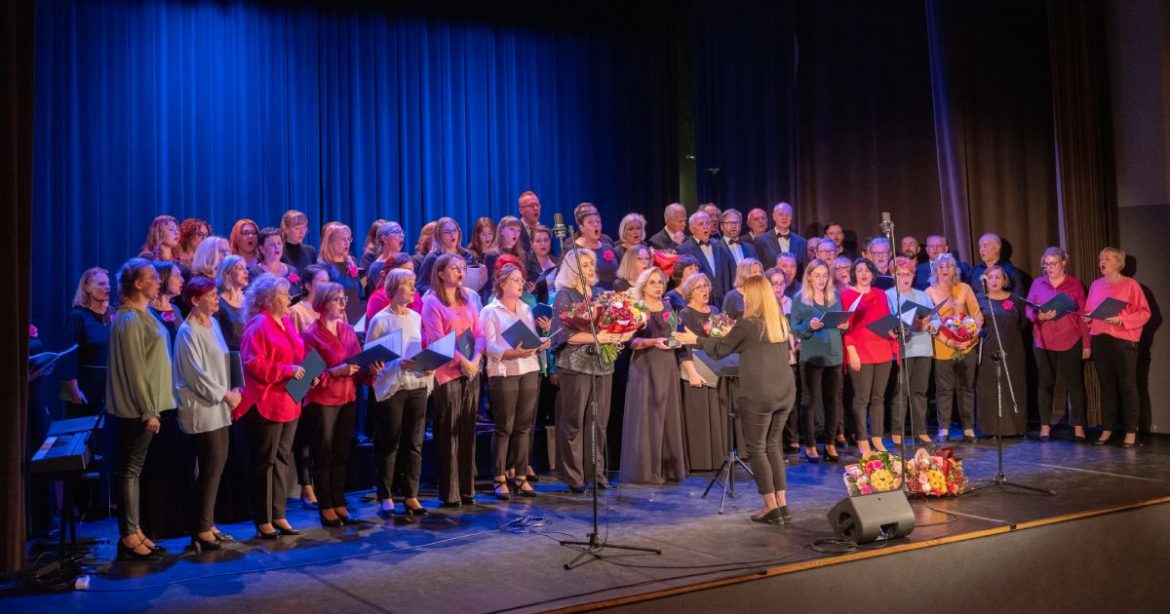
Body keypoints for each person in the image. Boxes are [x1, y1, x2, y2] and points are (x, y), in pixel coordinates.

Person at [674, 275, 796, 524]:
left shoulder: (748, 324)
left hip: (760, 393)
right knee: (774, 445)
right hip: (785, 391)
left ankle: (770, 507)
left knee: (757, 449)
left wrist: (692, 339)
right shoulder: (779, 321)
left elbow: (720, 350)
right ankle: (783, 505)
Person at [106, 258, 175, 560]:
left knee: (136, 471)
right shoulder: (129, 318)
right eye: (151, 277)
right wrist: (149, 410)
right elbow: (135, 369)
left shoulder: (145, 314)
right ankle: (129, 535)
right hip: (137, 410)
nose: (157, 281)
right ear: (137, 283)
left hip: (151, 407)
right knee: (130, 472)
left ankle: (136, 531)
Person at [548, 248, 629, 492]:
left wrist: (620, 331)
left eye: (592, 264)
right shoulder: (565, 295)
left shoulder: (601, 294)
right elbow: (564, 334)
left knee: (599, 422)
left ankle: (597, 474)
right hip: (575, 363)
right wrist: (600, 338)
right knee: (573, 422)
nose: (591, 269)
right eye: (585, 265)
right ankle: (574, 477)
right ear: (572, 269)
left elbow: (615, 324)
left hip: (602, 364)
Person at [236, 273, 310, 538]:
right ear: (268, 299)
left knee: (281, 458)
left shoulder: (287, 322)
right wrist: (287, 370)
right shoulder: (258, 324)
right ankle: (263, 518)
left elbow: (298, 356)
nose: (288, 298)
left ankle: (279, 514)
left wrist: (305, 375)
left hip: (288, 400)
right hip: (266, 401)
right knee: (264, 461)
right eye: (283, 294)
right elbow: (252, 363)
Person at [302, 282, 382, 526]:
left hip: (347, 398)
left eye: (342, 300)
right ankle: (325, 504)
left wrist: (372, 370)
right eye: (336, 300)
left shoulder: (347, 331)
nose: (341, 305)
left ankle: (339, 502)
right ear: (324, 303)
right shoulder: (310, 334)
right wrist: (336, 372)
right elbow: (308, 378)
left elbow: (358, 366)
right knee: (323, 454)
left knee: (340, 453)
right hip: (323, 401)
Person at [173, 276, 241, 552]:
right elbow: (196, 377)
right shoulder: (187, 332)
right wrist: (225, 394)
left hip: (221, 407)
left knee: (218, 467)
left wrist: (234, 386)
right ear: (194, 301)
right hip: (202, 409)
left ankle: (208, 522)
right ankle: (200, 529)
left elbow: (225, 360)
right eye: (211, 295)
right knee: (210, 468)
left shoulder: (212, 324)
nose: (216, 299)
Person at [368, 269, 434, 517]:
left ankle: (411, 495)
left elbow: (421, 347)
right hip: (393, 387)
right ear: (394, 287)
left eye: (413, 284)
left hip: (416, 384)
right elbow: (372, 360)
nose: (412, 289)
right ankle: (386, 495)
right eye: (407, 285)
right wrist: (396, 364)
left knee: (414, 443)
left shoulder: (416, 317)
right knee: (390, 442)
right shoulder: (380, 320)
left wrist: (426, 365)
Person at [421, 253, 485, 506]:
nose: (460, 272)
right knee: (449, 433)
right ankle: (450, 492)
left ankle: (468, 489)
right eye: (455, 268)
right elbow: (438, 342)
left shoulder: (467, 298)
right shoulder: (432, 303)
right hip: (447, 373)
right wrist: (465, 362)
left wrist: (477, 359)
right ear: (440, 273)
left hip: (471, 371)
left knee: (468, 430)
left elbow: (480, 333)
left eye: (462, 268)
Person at [481, 264, 550, 499]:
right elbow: (488, 345)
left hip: (529, 368)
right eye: (515, 280)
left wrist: (542, 340)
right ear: (502, 283)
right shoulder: (490, 311)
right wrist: (512, 353)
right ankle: (499, 477)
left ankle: (520, 475)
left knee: (524, 426)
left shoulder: (525, 309)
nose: (521, 284)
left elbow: (529, 339)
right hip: (504, 372)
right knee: (505, 427)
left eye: (521, 280)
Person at [620, 267, 687, 484]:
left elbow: (675, 337)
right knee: (647, 416)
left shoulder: (668, 306)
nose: (658, 286)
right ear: (643, 285)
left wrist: (677, 342)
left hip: (667, 365)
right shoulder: (637, 308)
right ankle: (646, 471)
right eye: (653, 283)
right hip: (645, 365)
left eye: (660, 282)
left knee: (667, 414)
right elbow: (631, 342)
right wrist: (652, 342)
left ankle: (668, 469)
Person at [1084, 247, 1151, 448]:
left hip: (1122, 340)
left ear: (1118, 263)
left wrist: (1121, 320)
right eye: (1100, 259)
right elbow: (1089, 310)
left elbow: (1144, 313)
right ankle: (1108, 428)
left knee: (1128, 385)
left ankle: (1131, 431)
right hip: (1100, 339)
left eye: (1107, 258)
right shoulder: (1096, 285)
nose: (1102, 262)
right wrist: (1087, 318)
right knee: (1106, 386)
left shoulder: (1131, 285)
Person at [1026, 247, 1089, 441]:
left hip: (1071, 339)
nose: (1050, 267)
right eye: (1046, 264)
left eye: (1054, 263)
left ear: (1063, 263)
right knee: (1045, 383)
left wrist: (1087, 343)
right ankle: (1045, 426)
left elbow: (1083, 316)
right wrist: (1038, 315)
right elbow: (1029, 309)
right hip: (1043, 340)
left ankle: (1078, 426)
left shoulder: (1075, 285)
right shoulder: (1038, 284)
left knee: (1075, 384)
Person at [790, 259, 847, 462]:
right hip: (812, 355)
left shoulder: (834, 296)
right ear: (809, 277)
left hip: (834, 355)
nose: (821, 280)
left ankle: (830, 443)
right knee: (810, 401)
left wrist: (844, 325)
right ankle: (810, 444)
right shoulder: (800, 299)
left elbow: (842, 322)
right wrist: (809, 326)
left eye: (825, 275)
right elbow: (794, 327)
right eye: (817, 276)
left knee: (833, 401)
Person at [841, 258, 897, 457]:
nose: (864, 273)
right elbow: (846, 325)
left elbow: (885, 319)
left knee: (879, 397)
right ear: (854, 273)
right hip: (861, 350)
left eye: (867, 270)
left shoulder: (881, 294)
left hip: (882, 349)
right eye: (860, 270)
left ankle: (877, 438)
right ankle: (862, 440)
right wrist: (851, 350)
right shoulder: (847, 294)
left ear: (873, 274)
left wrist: (893, 331)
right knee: (862, 398)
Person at [926, 253, 982, 443]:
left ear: (954, 269)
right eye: (940, 267)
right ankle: (943, 428)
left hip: (966, 346)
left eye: (948, 266)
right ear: (935, 271)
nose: (944, 270)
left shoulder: (964, 288)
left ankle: (968, 428)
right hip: (943, 347)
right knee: (944, 390)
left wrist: (972, 331)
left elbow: (977, 315)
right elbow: (929, 322)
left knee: (967, 387)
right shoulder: (930, 292)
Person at [678, 272, 727, 471]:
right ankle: (699, 461)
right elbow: (682, 344)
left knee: (716, 414)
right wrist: (691, 372)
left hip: (716, 367)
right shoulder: (684, 313)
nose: (705, 290)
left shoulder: (714, 310)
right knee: (698, 414)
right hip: (696, 368)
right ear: (690, 291)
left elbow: (721, 340)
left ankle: (717, 459)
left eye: (706, 286)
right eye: (700, 287)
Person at [886, 257, 935, 447]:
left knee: (920, 392)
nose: (905, 278)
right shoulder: (889, 295)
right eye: (900, 274)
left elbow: (936, 317)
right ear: (893, 275)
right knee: (901, 392)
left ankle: (920, 430)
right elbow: (889, 321)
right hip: (903, 348)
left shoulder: (923, 295)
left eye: (909, 274)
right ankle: (897, 431)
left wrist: (930, 324)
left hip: (923, 347)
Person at [974, 266, 1029, 436]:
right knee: (990, 388)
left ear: (1005, 280)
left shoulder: (1015, 299)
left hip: (1013, 349)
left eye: (998, 277)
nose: (995, 280)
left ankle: (1016, 428)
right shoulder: (979, 300)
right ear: (985, 280)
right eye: (991, 277)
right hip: (989, 350)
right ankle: (991, 429)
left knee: (1014, 386)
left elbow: (1023, 324)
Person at [63, 267, 112, 417]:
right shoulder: (78, 316)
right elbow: (68, 356)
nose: (107, 287)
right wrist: (74, 390)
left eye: (108, 284)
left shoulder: (112, 314)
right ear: (87, 287)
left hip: (109, 388)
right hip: (86, 387)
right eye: (101, 284)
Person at [678, 210, 734, 306]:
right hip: (699, 303)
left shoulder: (720, 246)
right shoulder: (683, 249)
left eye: (708, 223)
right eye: (701, 224)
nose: (705, 226)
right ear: (691, 229)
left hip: (722, 303)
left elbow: (727, 276)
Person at [417, 217, 475, 295]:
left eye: (454, 230)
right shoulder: (432, 258)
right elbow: (421, 285)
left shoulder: (467, 255)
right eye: (447, 232)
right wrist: (440, 293)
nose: (452, 234)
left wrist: (482, 280)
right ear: (439, 235)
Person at [573, 203, 618, 290]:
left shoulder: (607, 246)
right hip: (586, 298)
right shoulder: (574, 249)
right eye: (590, 222)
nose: (596, 225)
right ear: (582, 227)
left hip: (611, 297)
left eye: (598, 222)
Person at [753, 202, 806, 273]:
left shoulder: (801, 242)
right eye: (780, 214)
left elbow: (804, 270)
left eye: (787, 214)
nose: (784, 217)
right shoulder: (761, 240)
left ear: (792, 217)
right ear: (773, 216)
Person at [365, 253, 419, 322]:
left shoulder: (414, 295)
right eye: (406, 270)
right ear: (392, 273)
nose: (411, 274)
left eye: (412, 270)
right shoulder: (378, 299)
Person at [253, 227, 301, 299]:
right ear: (261, 249)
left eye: (279, 243)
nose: (277, 247)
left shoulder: (292, 271)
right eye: (272, 244)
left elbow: (298, 295)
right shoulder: (255, 273)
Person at [215, 255, 249, 351]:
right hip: (231, 356)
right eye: (241, 268)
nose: (246, 272)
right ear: (227, 274)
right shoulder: (218, 303)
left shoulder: (249, 301)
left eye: (246, 268)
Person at [365, 221, 407, 297]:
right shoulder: (376, 268)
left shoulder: (405, 261)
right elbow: (379, 297)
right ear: (384, 239)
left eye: (402, 232)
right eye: (396, 232)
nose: (401, 235)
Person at [147, 261, 185, 344]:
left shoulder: (175, 309)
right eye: (177, 276)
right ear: (163, 277)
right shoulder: (148, 311)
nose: (182, 280)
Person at [318, 221, 361, 292]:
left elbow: (360, 290)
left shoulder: (351, 262)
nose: (347, 243)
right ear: (330, 242)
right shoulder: (323, 267)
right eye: (343, 239)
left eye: (348, 239)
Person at [530, 224, 558, 304]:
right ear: (532, 244)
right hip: (541, 310)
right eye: (538, 241)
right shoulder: (528, 267)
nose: (543, 243)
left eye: (546, 240)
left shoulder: (559, 261)